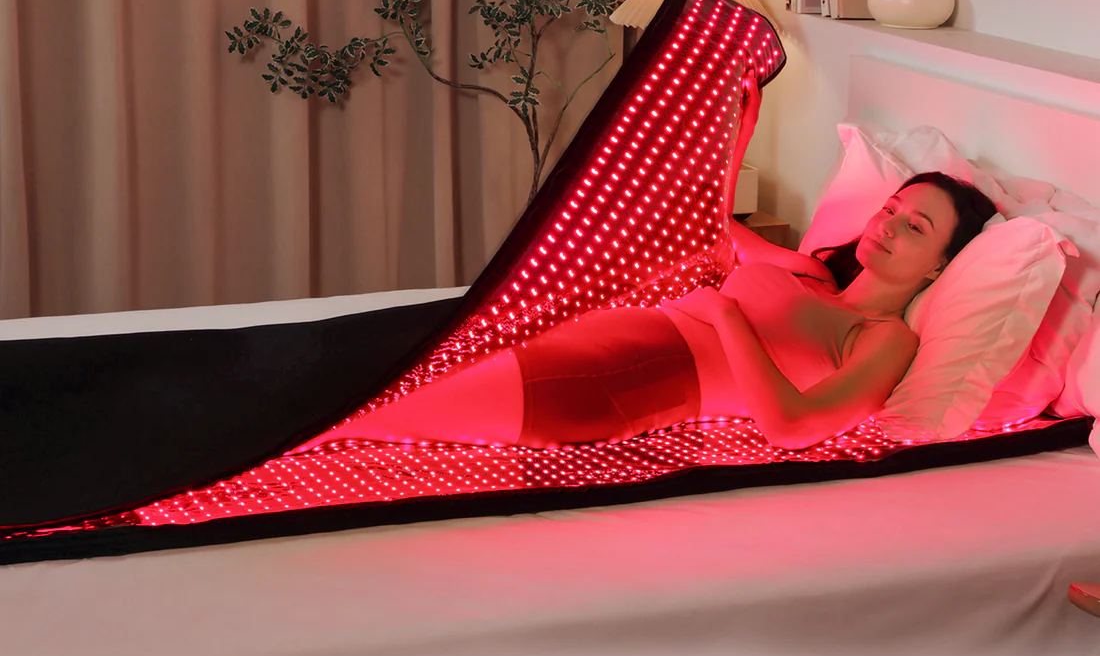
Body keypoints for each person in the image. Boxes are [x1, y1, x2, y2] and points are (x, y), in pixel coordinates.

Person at [295, 78, 998, 453]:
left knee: (334, 414)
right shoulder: (809, 274)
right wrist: (739, 123)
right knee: (350, 363)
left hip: (619, 379)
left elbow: (793, 427)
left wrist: (724, 314)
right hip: (591, 335)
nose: (888, 224)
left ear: (940, 267)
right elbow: (712, 222)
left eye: (916, 226)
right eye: (891, 207)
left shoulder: (884, 338)